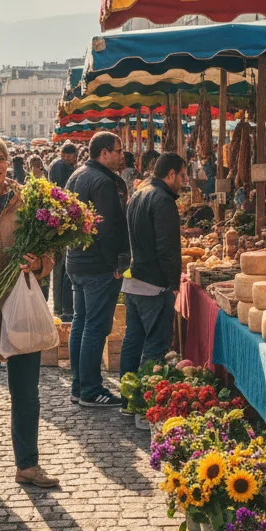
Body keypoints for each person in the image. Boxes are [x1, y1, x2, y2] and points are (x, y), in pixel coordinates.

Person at [0, 133, 59, 496]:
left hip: (22, 306)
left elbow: (48, 248)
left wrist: (40, 263)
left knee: (27, 393)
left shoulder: (27, 201)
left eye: (0, 158)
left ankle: (28, 465)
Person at [66, 132, 130, 407]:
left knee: (81, 322)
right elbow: (107, 227)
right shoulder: (102, 181)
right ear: (103, 153)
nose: (121, 155)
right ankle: (90, 389)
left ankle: (80, 386)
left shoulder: (77, 174)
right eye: (118, 151)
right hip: (96, 265)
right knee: (94, 326)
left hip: (77, 261)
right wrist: (116, 263)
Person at [120, 152, 188, 380]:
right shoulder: (163, 200)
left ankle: (127, 394)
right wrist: (173, 283)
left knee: (133, 339)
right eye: (182, 175)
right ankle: (144, 399)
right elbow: (167, 247)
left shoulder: (139, 193)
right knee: (155, 345)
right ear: (170, 174)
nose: (184, 181)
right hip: (153, 285)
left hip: (134, 281)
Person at [48, 143, 78, 322]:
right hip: (62, 221)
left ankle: (59, 307)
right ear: (69, 155)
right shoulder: (63, 167)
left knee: (58, 267)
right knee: (62, 267)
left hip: (56, 219)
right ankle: (62, 308)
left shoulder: (54, 165)